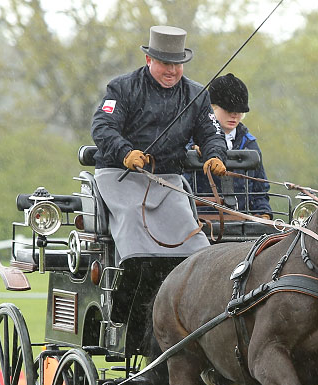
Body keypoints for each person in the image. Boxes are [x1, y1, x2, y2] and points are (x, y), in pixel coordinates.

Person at [91, 25, 228, 263]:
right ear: (148, 59)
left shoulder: (196, 95)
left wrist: (215, 155)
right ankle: (133, 273)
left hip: (168, 181)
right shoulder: (122, 88)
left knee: (190, 237)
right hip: (120, 177)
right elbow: (102, 127)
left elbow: (211, 134)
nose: (172, 71)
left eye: (177, 64)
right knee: (133, 216)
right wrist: (125, 153)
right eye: (166, 63)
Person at [187, 73, 271, 215]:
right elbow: (181, 184)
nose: (234, 115)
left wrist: (264, 214)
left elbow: (260, 190)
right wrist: (192, 151)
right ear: (211, 108)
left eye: (239, 111)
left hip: (242, 224)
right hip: (199, 223)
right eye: (228, 110)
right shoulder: (190, 140)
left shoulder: (250, 144)